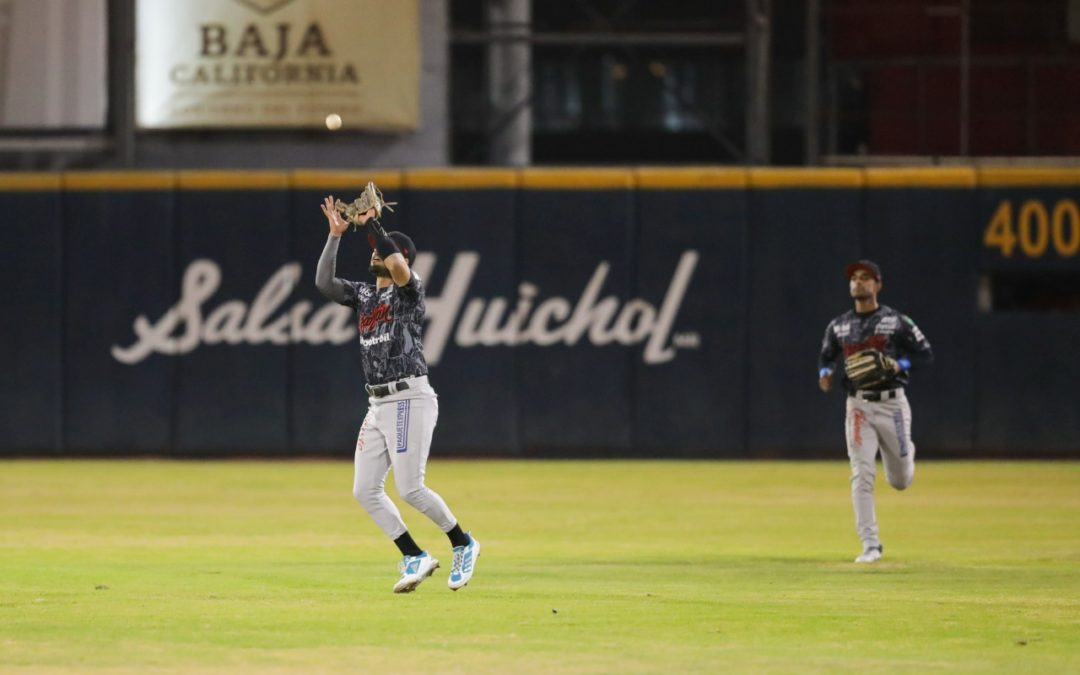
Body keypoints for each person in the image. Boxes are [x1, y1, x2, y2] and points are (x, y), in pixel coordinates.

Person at [316, 194, 480, 593]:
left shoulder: (410, 292)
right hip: (377, 403)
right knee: (364, 490)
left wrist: (374, 226)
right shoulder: (365, 295)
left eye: (387, 253)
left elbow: (398, 266)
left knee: (410, 488)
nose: (377, 256)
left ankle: (463, 543)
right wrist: (335, 237)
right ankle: (414, 555)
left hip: (409, 397)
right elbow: (324, 284)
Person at [817, 260, 933, 564]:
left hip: (892, 403)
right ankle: (871, 544)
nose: (858, 283)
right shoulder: (838, 325)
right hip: (858, 405)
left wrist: (899, 364)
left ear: (877, 284)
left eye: (865, 278)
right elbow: (826, 356)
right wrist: (825, 373)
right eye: (854, 278)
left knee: (900, 480)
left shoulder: (896, 321)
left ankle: (906, 451)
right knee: (862, 474)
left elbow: (924, 355)